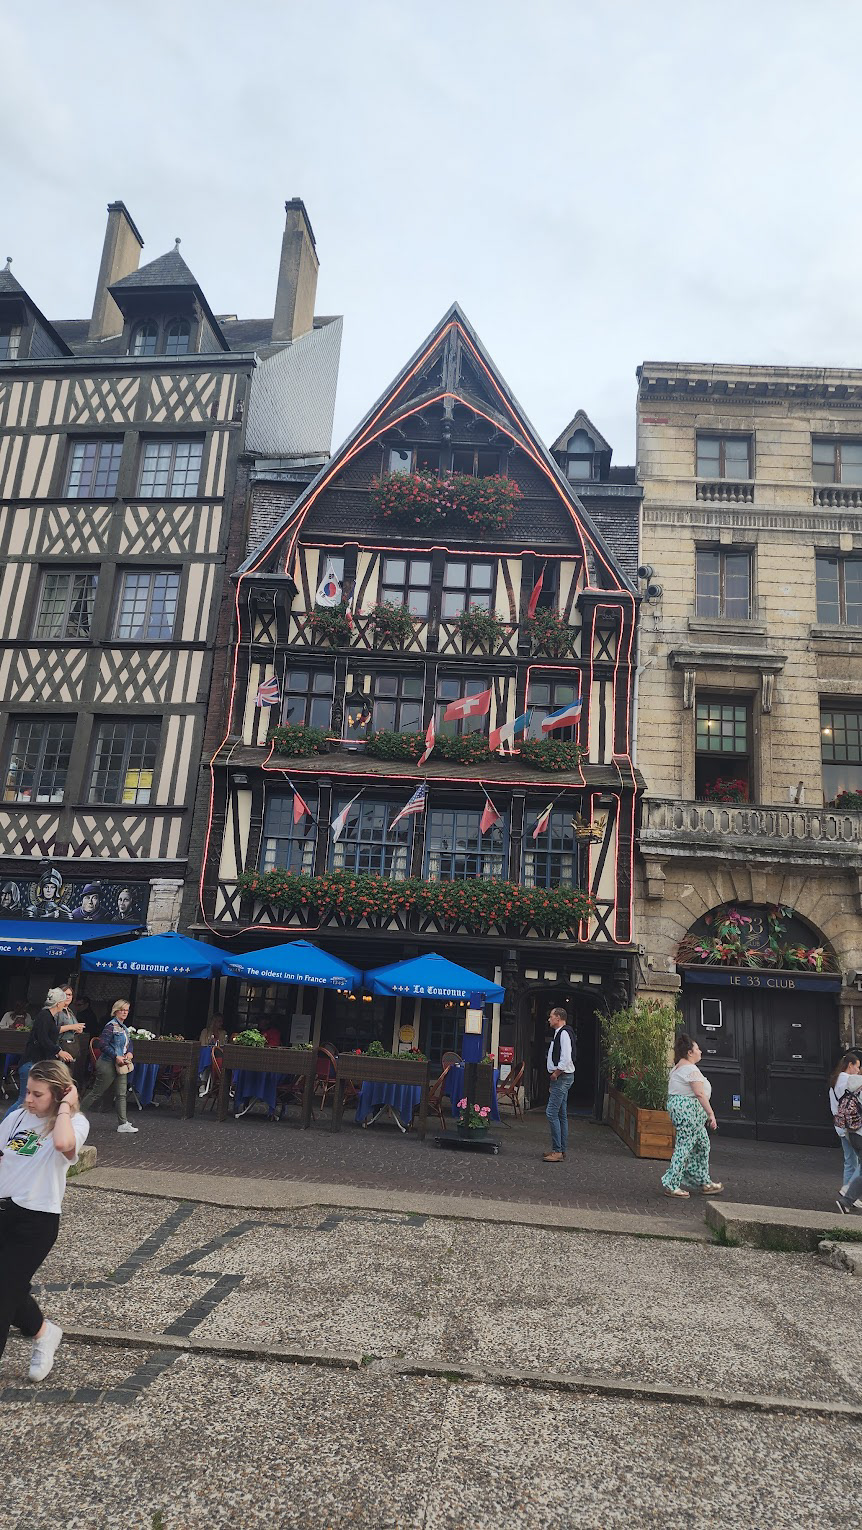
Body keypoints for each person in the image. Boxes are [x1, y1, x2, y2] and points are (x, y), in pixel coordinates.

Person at [0, 1059, 89, 1380]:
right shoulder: (17, 1118)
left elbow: (64, 1146)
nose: (28, 1099)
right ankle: (43, 1333)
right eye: (27, 1091)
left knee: (3, 1291)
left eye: (38, 1094)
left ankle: (43, 1334)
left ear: (58, 1093)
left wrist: (65, 1106)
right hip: (3, 1211)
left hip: (36, 1222)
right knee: (9, 1288)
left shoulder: (75, 1123)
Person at [661, 1033, 723, 1199]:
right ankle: (672, 1184)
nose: (700, 1051)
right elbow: (700, 1094)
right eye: (697, 1049)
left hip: (688, 1113)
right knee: (684, 1147)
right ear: (689, 1052)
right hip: (689, 1114)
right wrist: (711, 1114)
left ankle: (702, 1181)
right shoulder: (690, 1069)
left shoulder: (678, 1068)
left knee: (703, 1145)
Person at [4, 989, 78, 1119]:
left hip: (37, 1063)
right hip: (30, 1063)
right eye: (63, 1000)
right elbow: (43, 1038)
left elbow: (51, 1034)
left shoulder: (49, 1016)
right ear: (59, 1003)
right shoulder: (45, 1016)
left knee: (29, 1099)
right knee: (23, 1099)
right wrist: (59, 1051)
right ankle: (5, 1125)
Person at [80, 999, 138, 1135]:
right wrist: (115, 1056)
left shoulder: (123, 1027)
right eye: (122, 1009)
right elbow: (102, 1044)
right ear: (116, 1011)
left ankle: (123, 1123)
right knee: (97, 1092)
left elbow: (129, 1043)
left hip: (120, 1063)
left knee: (121, 1094)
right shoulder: (110, 1026)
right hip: (108, 1063)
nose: (125, 1012)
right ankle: (74, 1115)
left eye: (127, 1010)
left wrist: (129, 1052)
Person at [543, 1006, 576, 1164]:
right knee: (561, 1114)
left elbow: (566, 1058)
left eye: (551, 1016)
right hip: (563, 1077)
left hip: (562, 1077)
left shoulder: (563, 1034)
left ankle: (557, 1151)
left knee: (551, 1113)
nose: (549, 1019)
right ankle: (561, 1149)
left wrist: (555, 1074)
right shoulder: (560, 1033)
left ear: (558, 1018)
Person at [830, 1052, 862, 1203]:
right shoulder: (851, 1081)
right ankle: (849, 1189)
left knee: (850, 1161)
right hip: (854, 1127)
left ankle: (850, 1196)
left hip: (841, 1126)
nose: (858, 1070)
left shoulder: (834, 1081)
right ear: (850, 1065)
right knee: (859, 1163)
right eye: (857, 1067)